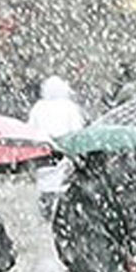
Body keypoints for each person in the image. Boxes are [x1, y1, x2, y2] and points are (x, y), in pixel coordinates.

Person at [27, 76, 86, 217]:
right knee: (61, 188)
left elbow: (30, 131)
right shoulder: (70, 108)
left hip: (44, 155)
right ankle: (60, 215)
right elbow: (77, 131)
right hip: (64, 155)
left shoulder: (38, 108)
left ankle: (47, 210)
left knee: (46, 187)